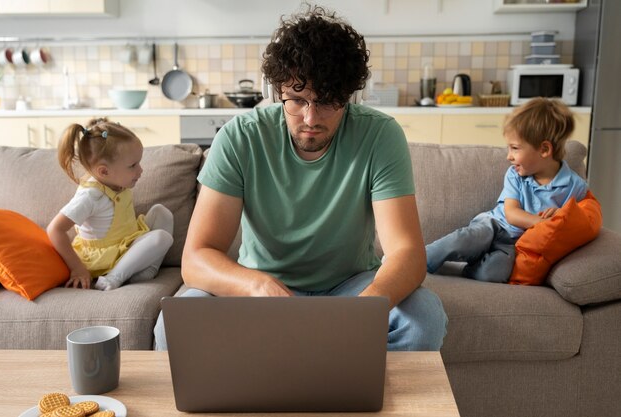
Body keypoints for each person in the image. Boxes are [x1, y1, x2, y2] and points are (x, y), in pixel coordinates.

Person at [154, 5, 447, 351]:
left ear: (349, 96)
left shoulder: (380, 136)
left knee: (425, 317)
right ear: (276, 91)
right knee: (177, 322)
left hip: (350, 287)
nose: (310, 118)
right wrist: (257, 286)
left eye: (326, 102)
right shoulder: (240, 138)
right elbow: (197, 257)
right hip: (260, 290)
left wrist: (370, 305)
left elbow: (407, 253)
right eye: (296, 100)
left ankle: (352, 396)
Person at [425, 97, 589, 283]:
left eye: (515, 148)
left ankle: (461, 268)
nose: (508, 156)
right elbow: (511, 214)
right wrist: (545, 223)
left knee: (494, 273)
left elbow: (580, 222)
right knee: (466, 240)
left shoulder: (576, 187)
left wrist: (561, 214)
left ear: (544, 149)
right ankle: (417, 260)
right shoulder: (515, 175)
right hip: (494, 225)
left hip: (513, 244)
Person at [47, 118, 174, 291]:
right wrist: (77, 268)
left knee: (162, 213)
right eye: (133, 165)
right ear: (104, 171)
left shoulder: (117, 182)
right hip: (104, 259)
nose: (141, 170)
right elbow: (55, 229)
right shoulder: (91, 196)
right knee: (162, 237)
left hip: (125, 243)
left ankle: (147, 270)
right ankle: (112, 279)